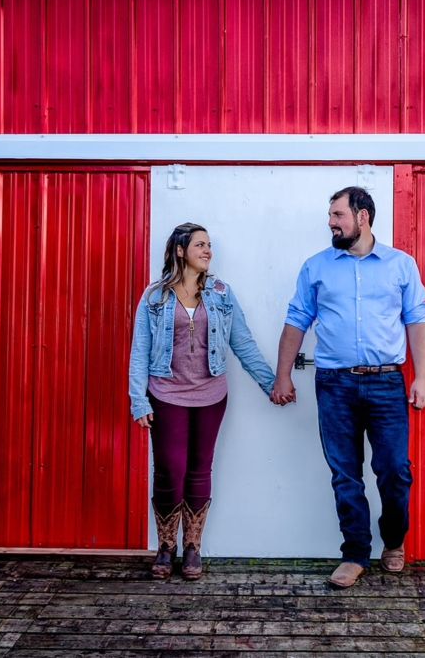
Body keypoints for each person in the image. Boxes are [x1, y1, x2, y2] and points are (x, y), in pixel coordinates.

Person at [270, 186, 425, 588]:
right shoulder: (317, 266)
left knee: (395, 471)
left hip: (386, 383)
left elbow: (417, 322)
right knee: (346, 475)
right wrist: (283, 374)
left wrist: (422, 376)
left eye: (338, 215)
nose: (331, 222)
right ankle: (355, 553)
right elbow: (296, 320)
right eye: (331, 215)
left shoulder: (400, 265)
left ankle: (393, 541)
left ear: (362, 216)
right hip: (335, 385)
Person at [129, 222, 276, 580]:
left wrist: (271, 383)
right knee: (169, 469)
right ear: (180, 251)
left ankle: (193, 547)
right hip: (166, 394)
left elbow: (242, 342)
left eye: (209, 245)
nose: (208, 250)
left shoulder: (222, 294)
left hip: (211, 394)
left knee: (198, 469)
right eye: (200, 245)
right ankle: (167, 546)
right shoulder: (155, 296)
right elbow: (140, 352)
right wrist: (139, 401)